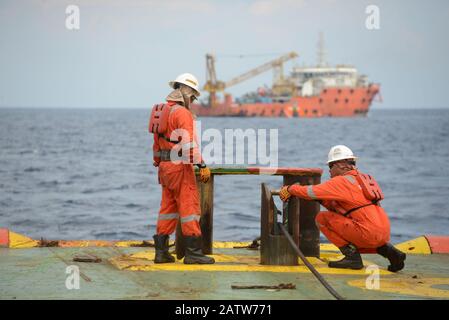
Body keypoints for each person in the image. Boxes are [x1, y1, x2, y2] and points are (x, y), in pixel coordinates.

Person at [279, 145, 406, 272]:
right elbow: (345, 209)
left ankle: (352, 258)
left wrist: (290, 189)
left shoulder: (341, 181)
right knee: (358, 230)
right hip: (384, 233)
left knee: (322, 218)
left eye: (330, 167)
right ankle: (391, 253)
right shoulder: (362, 179)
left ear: (339, 165)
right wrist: (321, 199)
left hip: (368, 233)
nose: (329, 171)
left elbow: (310, 192)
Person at [149, 73, 214, 264]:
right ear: (186, 92)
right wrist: (201, 164)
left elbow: (156, 143)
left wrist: (158, 162)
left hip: (164, 168)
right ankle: (193, 253)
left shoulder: (161, 111)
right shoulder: (182, 113)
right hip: (180, 169)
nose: (193, 101)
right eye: (192, 97)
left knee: (167, 208)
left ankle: (161, 252)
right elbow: (189, 144)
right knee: (189, 207)